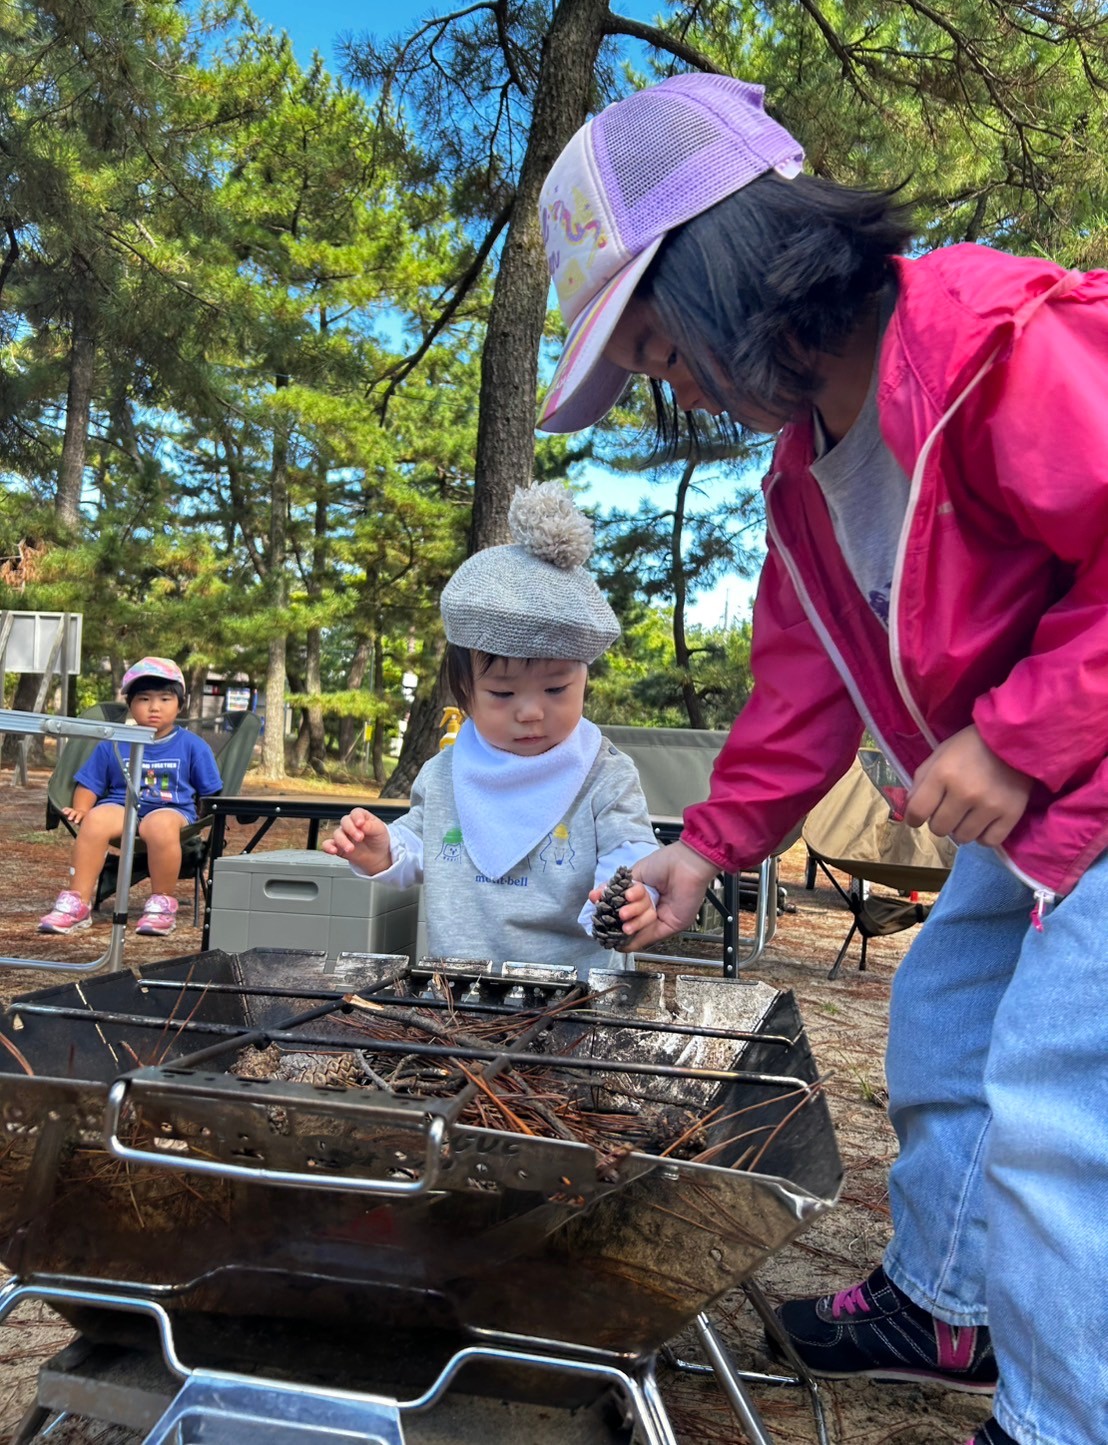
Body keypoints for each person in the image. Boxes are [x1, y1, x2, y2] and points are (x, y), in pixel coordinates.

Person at [536, 73, 1108, 1445]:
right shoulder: (804, 473)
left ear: (727, 262)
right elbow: (801, 690)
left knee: (1058, 1099)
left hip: (1083, 769)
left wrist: (1019, 738)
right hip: (1044, 811)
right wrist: (707, 850)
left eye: (662, 346)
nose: (669, 382)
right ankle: (946, 1303)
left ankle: (1062, 1417)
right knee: (946, 1027)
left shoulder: (990, 340)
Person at [323, 481, 659, 971]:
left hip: (576, 991)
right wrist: (385, 851)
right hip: (461, 985)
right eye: (502, 694)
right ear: (466, 694)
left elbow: (631, 850)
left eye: (556, 690)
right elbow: (426, 844)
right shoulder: (446, 772)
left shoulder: (603, 774)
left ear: (584, 679)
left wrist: (627, 896)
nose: (530, 712)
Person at [39, 656, 223, 937]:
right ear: (130, 705)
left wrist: (208, 815)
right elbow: (90, 782)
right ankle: (77, 902)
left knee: (158, 825)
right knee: (98, 819)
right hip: (120, 805)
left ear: (179, 705)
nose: (154, 707)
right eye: (144, 699)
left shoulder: (192, 746)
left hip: (171, 808)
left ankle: (162, 904)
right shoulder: (113, 742)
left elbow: (211, 791)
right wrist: (83, 808)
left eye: (165, 699)